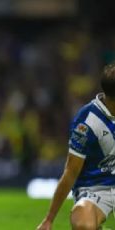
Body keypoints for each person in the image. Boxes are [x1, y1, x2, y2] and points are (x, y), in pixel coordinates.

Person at [36, 63, 115, 230]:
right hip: (94, 188)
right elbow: (71, 171)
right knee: (83, 225)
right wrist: (49, 219)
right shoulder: (86, 122)